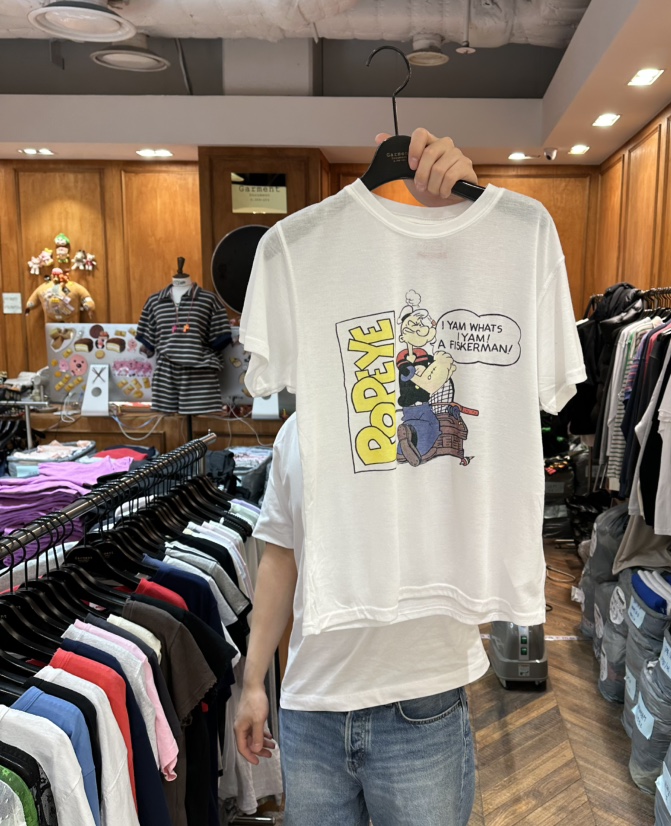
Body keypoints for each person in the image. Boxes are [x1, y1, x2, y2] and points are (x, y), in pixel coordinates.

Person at [233, 129, 489, 826]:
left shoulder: (446, 408)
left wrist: (462, 206)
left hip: (421, 701)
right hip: (312, 706)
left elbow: (478, 305)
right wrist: (253, 682)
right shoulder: (297, 434)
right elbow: (279, 558)